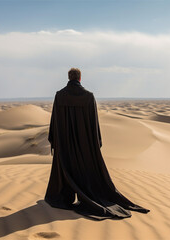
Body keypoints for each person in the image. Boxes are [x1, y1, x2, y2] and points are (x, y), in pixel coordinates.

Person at [44, 68, 150, 220]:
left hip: (65, 144)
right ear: (80, 78)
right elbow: (94, 123)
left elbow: (55, 120)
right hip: (85, 145)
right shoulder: (88, 96)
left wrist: (55, 139)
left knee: (65, 168)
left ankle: (64, 197)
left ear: (69, 77)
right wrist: (95, 142)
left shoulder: (60, 96)